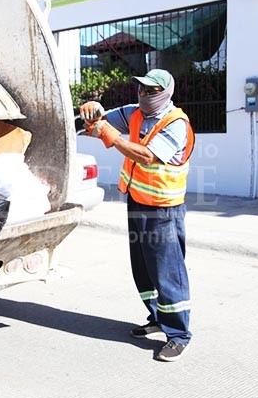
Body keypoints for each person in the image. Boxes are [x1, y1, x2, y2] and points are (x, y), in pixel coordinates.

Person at [80, 69, 195, 362]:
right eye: (141, 89)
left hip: (162, 207)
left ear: (166, 92)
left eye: (151, 90)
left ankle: (178, 335)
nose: (144, 94)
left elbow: (145, 156)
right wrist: (93, 111)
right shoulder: (135, 113)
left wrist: (109, 135)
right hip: (137, 201)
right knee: (143, 266)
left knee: (167, 270)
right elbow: (103, 119)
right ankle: (158, 317)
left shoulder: (175, 124)